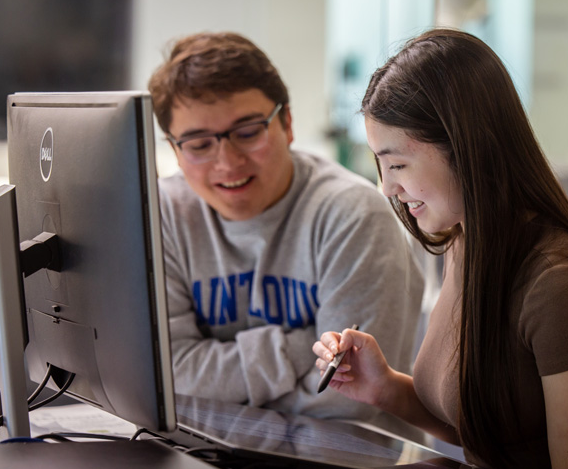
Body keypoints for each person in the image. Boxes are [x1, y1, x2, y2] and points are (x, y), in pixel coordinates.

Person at [312, 28, 568, 469]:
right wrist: (385, 389)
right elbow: (490, 437)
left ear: (466, 148)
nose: (387, 188)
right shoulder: (467, 244)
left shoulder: (560, 284)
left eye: (397, 164)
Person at [148, 31, 425, 437]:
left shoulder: (352, 216)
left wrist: (211, 392)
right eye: (199, 144)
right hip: (207, 461)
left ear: (287, 123)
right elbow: (162, 373)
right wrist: (294, 349)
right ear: (174, 150)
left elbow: (345, 399)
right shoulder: (164, 216)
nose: (228, 161)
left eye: (247, 132)